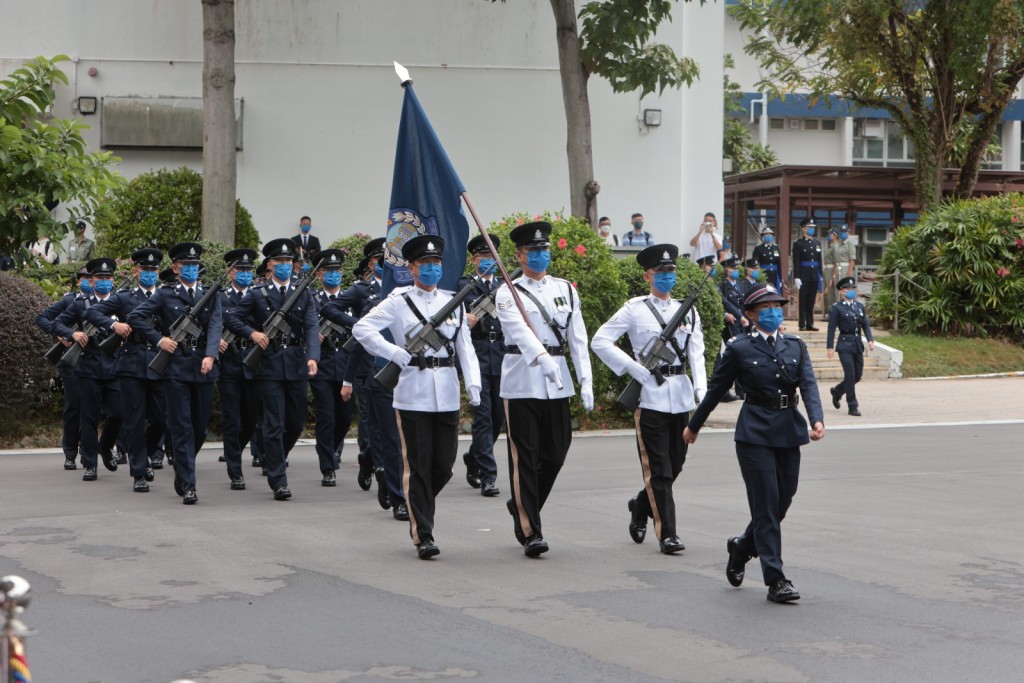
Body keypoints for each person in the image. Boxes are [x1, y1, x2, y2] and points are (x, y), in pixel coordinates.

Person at [683, 283, 825, 603]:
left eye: (777, 307)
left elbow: (809, 385)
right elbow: (716, 390)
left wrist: (817, 419)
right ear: (750, 314)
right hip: (755, 433)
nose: (774, 313)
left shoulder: (795, 346)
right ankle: (776, 579)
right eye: (766, 309)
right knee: (765, 505)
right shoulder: (739, 348)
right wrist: (694, 425)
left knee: (781, 502)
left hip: (789, 429)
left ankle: (743, 546)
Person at [352, 235, 482, 560]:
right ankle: (423, 534)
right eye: (425, 264)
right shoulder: (398, 301)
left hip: (448, 392)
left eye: (436, 264)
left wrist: (475, 385)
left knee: (444, 465)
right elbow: (362, 329)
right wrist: (394, 353)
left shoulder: (453, 301)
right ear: (411, 268)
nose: (431, 269)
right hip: (412, 394)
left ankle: (417, 502)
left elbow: (464, 347)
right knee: (419, 466)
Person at [591, 244, 707, 554]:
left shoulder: (688, 310)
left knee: (676, 464)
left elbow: (697, 353)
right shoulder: (634, 309)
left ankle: (640, 504)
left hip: (680, 396)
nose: (668, 277)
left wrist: (702, 392)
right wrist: (633, 369)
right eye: (661, 273)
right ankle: (667, 533)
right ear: (647, 276)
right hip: (650, 398)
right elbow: (600, 341)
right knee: (659, 469)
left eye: (672, 272)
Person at [495, 221, 593, 557]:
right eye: (533, 251)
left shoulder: (565, 288)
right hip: (522, 380)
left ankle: (522, 501)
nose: (540, 255)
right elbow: (518, 332)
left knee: (556, 452)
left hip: (558, 382)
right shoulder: (507, 291)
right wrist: (543, 360)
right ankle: (530, 530)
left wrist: (586, 380)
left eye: (544, 249)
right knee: (525, 457)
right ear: (520, 255)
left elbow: (577, 337)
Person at [224, 238, 319, 501]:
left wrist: (313, 356)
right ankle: (278, 480)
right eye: (280, 262)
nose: (285, 266)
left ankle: (273, 455)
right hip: (269, 366)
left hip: (297, 365)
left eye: (289, 262)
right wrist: (252, 333)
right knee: (274, 424)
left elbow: (312, 327)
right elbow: (231, 317)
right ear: (270, 264)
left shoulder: (303, 292)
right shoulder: (258, 293)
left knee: (295, 423)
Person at [129, 242, 222, 505]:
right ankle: (188, 483)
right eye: (186, 266)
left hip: (203, 368)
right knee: (181, 428)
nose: (191, 269)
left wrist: (210, 354)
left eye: (195, 266)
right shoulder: (165, 294)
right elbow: (136, 317)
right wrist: (160, 340)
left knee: (200, 428)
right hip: (176, 369)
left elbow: (215, 325)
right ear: (175, 268)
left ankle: (183, 467)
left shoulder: (209, 293)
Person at [84, 248, 166, 493]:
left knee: (161, 420)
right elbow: (91, 311)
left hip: (159, 363)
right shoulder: (125, 298)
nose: (149, 274)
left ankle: (148, 454)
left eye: (153, 270)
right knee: (134, 419)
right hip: (131, 365)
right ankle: (138, 471)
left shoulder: (165, 296)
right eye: (145, 270)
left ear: (159, 273)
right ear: (135, 271)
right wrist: (114, 324)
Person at [51, 258, 123, 481]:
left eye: (108, 278)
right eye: (100, 278)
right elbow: (56, 323)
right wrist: (72, 334)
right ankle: (90, 463)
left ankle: (106, 446)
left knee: (119, 414)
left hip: (114, 365)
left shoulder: (121, 302)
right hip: (89, 365)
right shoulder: (80, 304)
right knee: (89, 418)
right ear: (91, 281)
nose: (104, 282)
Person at [458, 235, 506, 497]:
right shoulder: (464, 287)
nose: (488, 261)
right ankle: (489, 475)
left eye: (492, 257)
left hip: (501, 355)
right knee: (483, 418)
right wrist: (463, 318)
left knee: (498, 417)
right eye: (483, 257)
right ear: (474, 260)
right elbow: (449, 316)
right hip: (476, 355)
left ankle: (475, 456)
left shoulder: (505, 287)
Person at [35, 266, 91, 469]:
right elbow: (43, 318)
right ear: (78, 282)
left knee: (91, 409)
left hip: (93, 361)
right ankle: (70, 453)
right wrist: (60, 334)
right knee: (73, 407)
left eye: (90, 278)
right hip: (71, 361)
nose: (88, 281)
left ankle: (88, 452)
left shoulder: (105, 301)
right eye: (84, 278)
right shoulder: (70, 301)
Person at [309, 248, 355, 487]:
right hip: (323, 366)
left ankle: (334, 448)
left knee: (346, 417)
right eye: (328, 271)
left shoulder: (350, 298)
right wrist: (311, 336)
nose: (333, 275)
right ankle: (327, 466)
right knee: (326, 417)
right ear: (319, 275)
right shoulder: (312, 300)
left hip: (346, 365)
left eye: (337, 271)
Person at [217, 248, 260, 491]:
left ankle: (236, 449)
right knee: (231, 418)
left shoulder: (259, 296)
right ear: (230, 272)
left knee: (252, 418)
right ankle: (235, 470)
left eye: (248, 270)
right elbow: (207, 323)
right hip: (230, 365)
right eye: (240, 270)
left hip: (253, 363)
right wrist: (214, 342)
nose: (244, 274)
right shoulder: (220, 297)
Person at [826, 277, 874, 417]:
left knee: (857, 376)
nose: (851, 292)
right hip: (844, 344)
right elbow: (831, 328)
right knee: (850, 374)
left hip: (857, 343)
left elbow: (865, 324)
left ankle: (837, 391)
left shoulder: (859, 307)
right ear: (841, 292)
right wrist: (830, 347)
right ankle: (852, 405)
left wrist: (870, 339)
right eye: (848, 289)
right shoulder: (837, 308)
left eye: (853, 289)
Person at [792, 218, 823, 331]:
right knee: (803, 300)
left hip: (814, 275)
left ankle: (810, 323)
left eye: (813, 228)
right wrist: (796, 276)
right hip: (803, 275)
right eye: (810, 228)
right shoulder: (798, 244)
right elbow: (796, 261)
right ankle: (802, 324)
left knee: (811, 300)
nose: (812, 230)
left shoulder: (817, 243)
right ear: (804, 228)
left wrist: (821, 274)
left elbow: (819, 260)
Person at [825, 225, 856, 316]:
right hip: (838, 269)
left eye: (844, 232)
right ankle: (838, 311)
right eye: (841, 232)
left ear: (848, 233)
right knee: (837, 291)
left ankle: (847, 311)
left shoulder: (850, 245)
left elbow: (852, 260)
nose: (842, 233)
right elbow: (836, 261)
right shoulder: (839, 245)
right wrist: (833, 274)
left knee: (845, 290)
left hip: (845, 269)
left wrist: (849, 273)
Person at [752, 226, 782, 292]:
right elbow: (755, 264)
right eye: (766, 235)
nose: (768, 236)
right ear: (763, 237)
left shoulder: (776, 248)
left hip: (774, 276)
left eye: (770, 235)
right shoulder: (758, 248)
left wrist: (780, 278)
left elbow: (779, 264)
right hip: (764, 275)